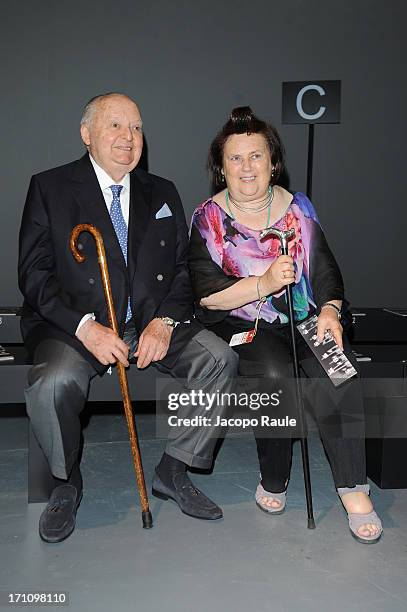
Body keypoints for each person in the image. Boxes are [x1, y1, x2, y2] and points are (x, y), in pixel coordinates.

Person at [18, 92, 238, 543]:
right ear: (86, 134)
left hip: (149, 322)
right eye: (115, 125)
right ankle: (65, 484)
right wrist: (85, 327)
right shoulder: (50, 187)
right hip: (77, 326)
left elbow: (181, 270)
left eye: (136, 128)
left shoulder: (163, 191)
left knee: (218, 360)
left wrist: (165, 322)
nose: (128, 137)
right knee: (53, 383)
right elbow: (33, 273)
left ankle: (173, 470)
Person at [188, 106, 382, 544]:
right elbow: (205, 292)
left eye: (256, 156)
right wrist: (264, 281)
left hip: (304, 314)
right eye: (235, 158)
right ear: (221, 167)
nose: (247, 167)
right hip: (245, 321)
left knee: (340, 372)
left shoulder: (299, 208)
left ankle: (353, 487)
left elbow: (325, 266)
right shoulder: (207, 218)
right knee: (274, 377)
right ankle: (274, 476)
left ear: (273, 162)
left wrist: (331, 308)